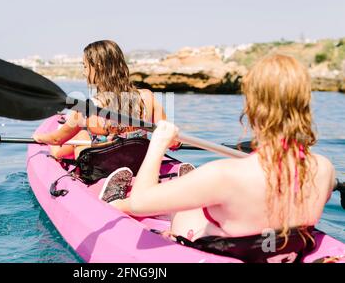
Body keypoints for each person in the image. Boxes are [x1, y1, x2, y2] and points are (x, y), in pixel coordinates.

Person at [126, 54, 336, 262]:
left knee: (185, 210)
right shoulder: (325, 169)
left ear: (252, 107)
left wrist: (158, 144)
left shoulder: (224, 175)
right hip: (278, 250)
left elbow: (138, 202)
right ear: (304, 104)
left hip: (216, 246)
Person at [33, 40, 189, 196]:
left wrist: (39, 136)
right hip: (138, 165)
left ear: (98, 67)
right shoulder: (148, 97)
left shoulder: (86, 108)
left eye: (85, 66)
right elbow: (171, 142)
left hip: (101, 171)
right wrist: (176, 143)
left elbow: (56, 140)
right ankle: (174, 178)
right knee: (84, 137)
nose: (84, 72)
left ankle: (103, 187)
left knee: (71, 146)